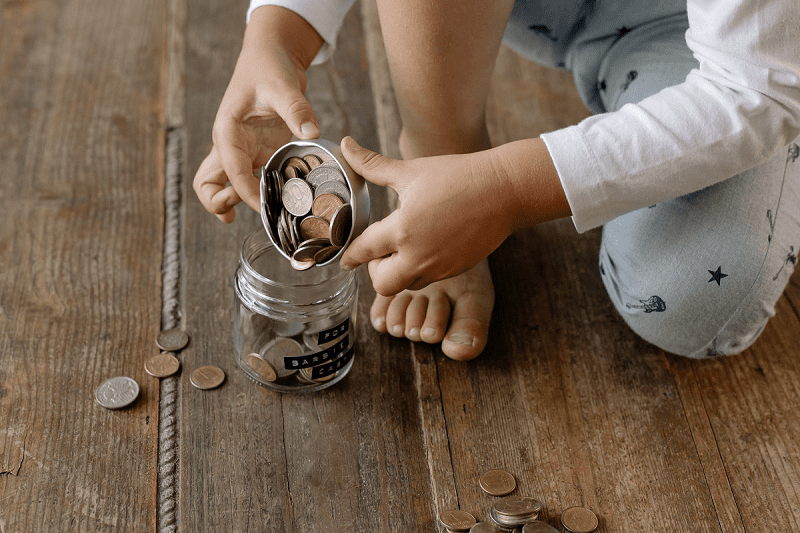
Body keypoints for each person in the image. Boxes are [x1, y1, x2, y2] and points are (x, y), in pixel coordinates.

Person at [194, 0, 800, 361]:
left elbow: (755, 87)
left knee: (692, 299)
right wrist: (279, 31)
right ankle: (442, 148)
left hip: (723, 42)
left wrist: (510, 188)